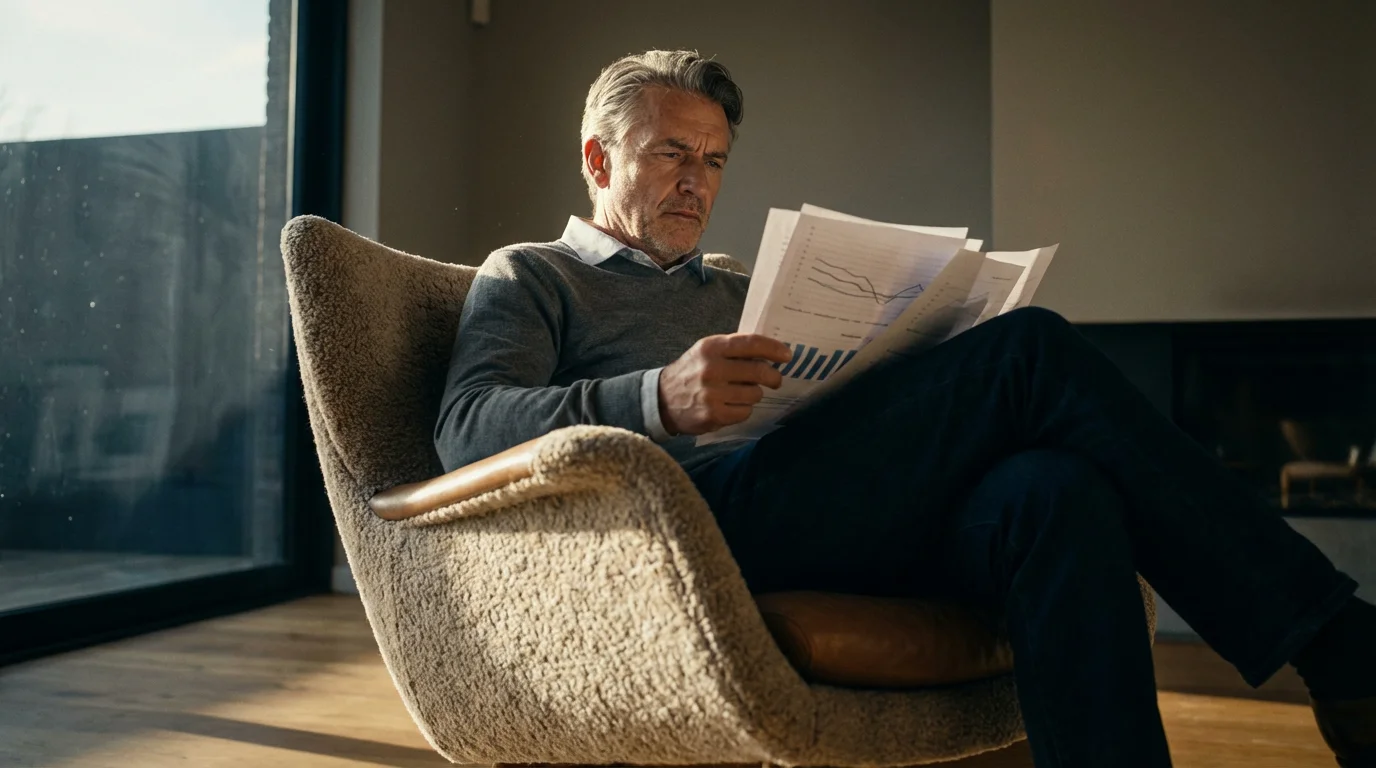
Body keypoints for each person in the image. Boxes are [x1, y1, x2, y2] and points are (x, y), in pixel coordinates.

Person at [434, 49, 1375, 768]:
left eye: (715, 159)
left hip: (828, 505)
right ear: (599, 157)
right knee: (1033, 350)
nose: (698, 180)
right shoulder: (532, 275)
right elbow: (466, 429)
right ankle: (1339, 646)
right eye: (673, 152)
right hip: (699, 529)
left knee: (1058, 489)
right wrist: (656, 397)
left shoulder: (735, 289)